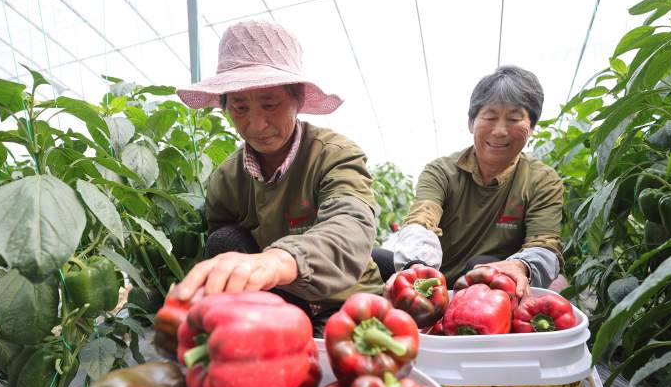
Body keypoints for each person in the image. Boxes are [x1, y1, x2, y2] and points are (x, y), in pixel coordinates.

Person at [170, 19, 383, 331]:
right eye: (240, 109)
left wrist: (280, 260)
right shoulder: (227, 179)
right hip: (279, 300)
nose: (257, 125)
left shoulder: (334, 154)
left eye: (270, 104)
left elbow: (350, 226)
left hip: (346, 298)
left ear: (297, 101)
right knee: (223, 240)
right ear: (225, 107)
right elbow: (227, 246)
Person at [375, 66, 564, 299]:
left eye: (514, 118)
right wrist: (416, 268)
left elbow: (544, 244)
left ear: (532, 127)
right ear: (471, 122)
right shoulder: (441, 171)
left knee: (484, 265)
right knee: (371, 259)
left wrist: (521, 266)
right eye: (490, 116)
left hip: (489, 288)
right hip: (434, 280)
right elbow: (421, 221)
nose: (500, 130)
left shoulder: (541, 180)